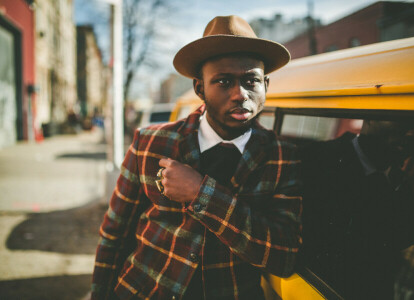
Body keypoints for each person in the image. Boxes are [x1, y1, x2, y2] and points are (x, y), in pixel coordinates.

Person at [91, 16, 302, 300]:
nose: (240, 94)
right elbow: (114, 234)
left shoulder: (282, 156)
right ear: (199, 88)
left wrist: (200, 193)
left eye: (251, 81)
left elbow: (282, 256)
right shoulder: (150, 143)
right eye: (223, 81)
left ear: (266, 84)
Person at [297, 120, 414, 300]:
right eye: (401, 119)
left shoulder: (398, 179)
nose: (411, 133)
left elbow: (406, 234)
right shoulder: (315, 158)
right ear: (371, 117)